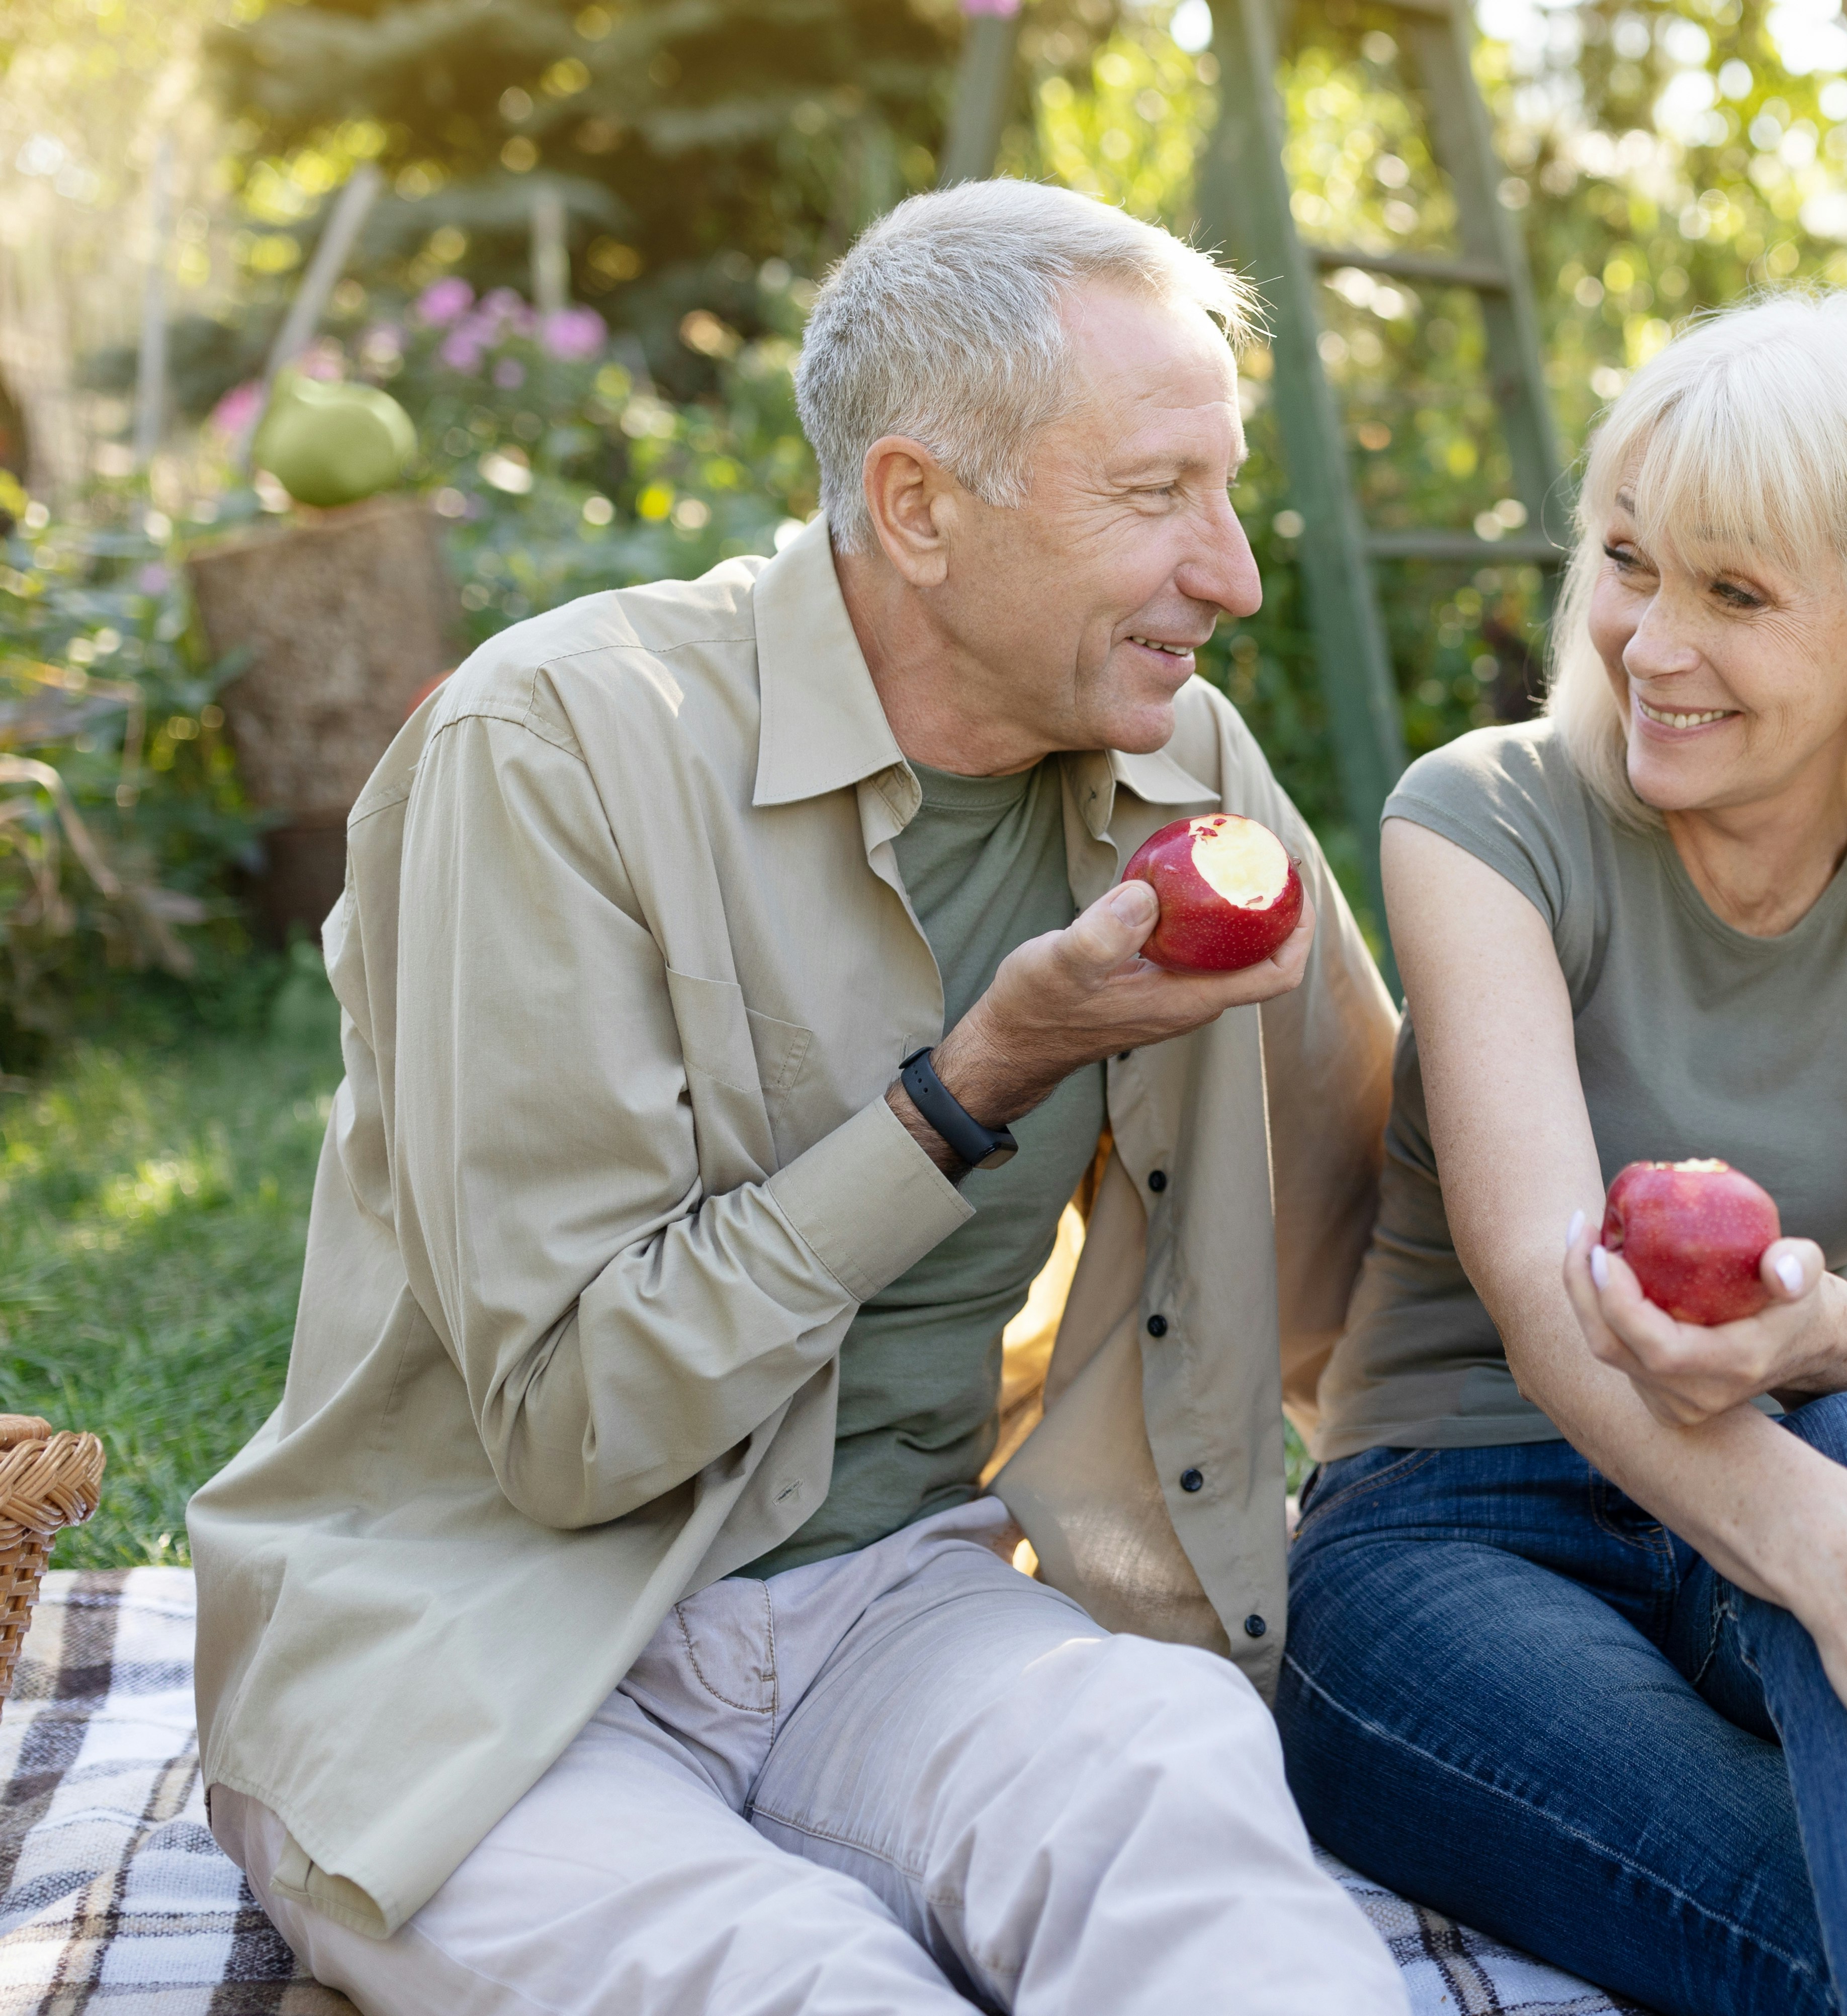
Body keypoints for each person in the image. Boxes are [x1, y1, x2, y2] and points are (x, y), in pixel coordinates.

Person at [186, 180, 1406, 2016]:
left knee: (1191, 1819)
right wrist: (974, 1083)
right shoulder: (553, 751)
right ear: (918, 506)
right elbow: (569, 1426)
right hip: (484, 1641)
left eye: (1224, 491)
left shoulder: (1182, 770)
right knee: (791, 1981)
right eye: (1158, 496)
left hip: (895, 1602)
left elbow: (1358, 1246)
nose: (1232, 573)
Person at [1279, 291, 1847, 2016]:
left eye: (1736, 593)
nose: (1650, 643)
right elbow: (1551, 1301)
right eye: (1628, 560)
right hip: (1451, 1529)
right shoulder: (1485, 819)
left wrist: (1835, 1344)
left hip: (1777, 1480)